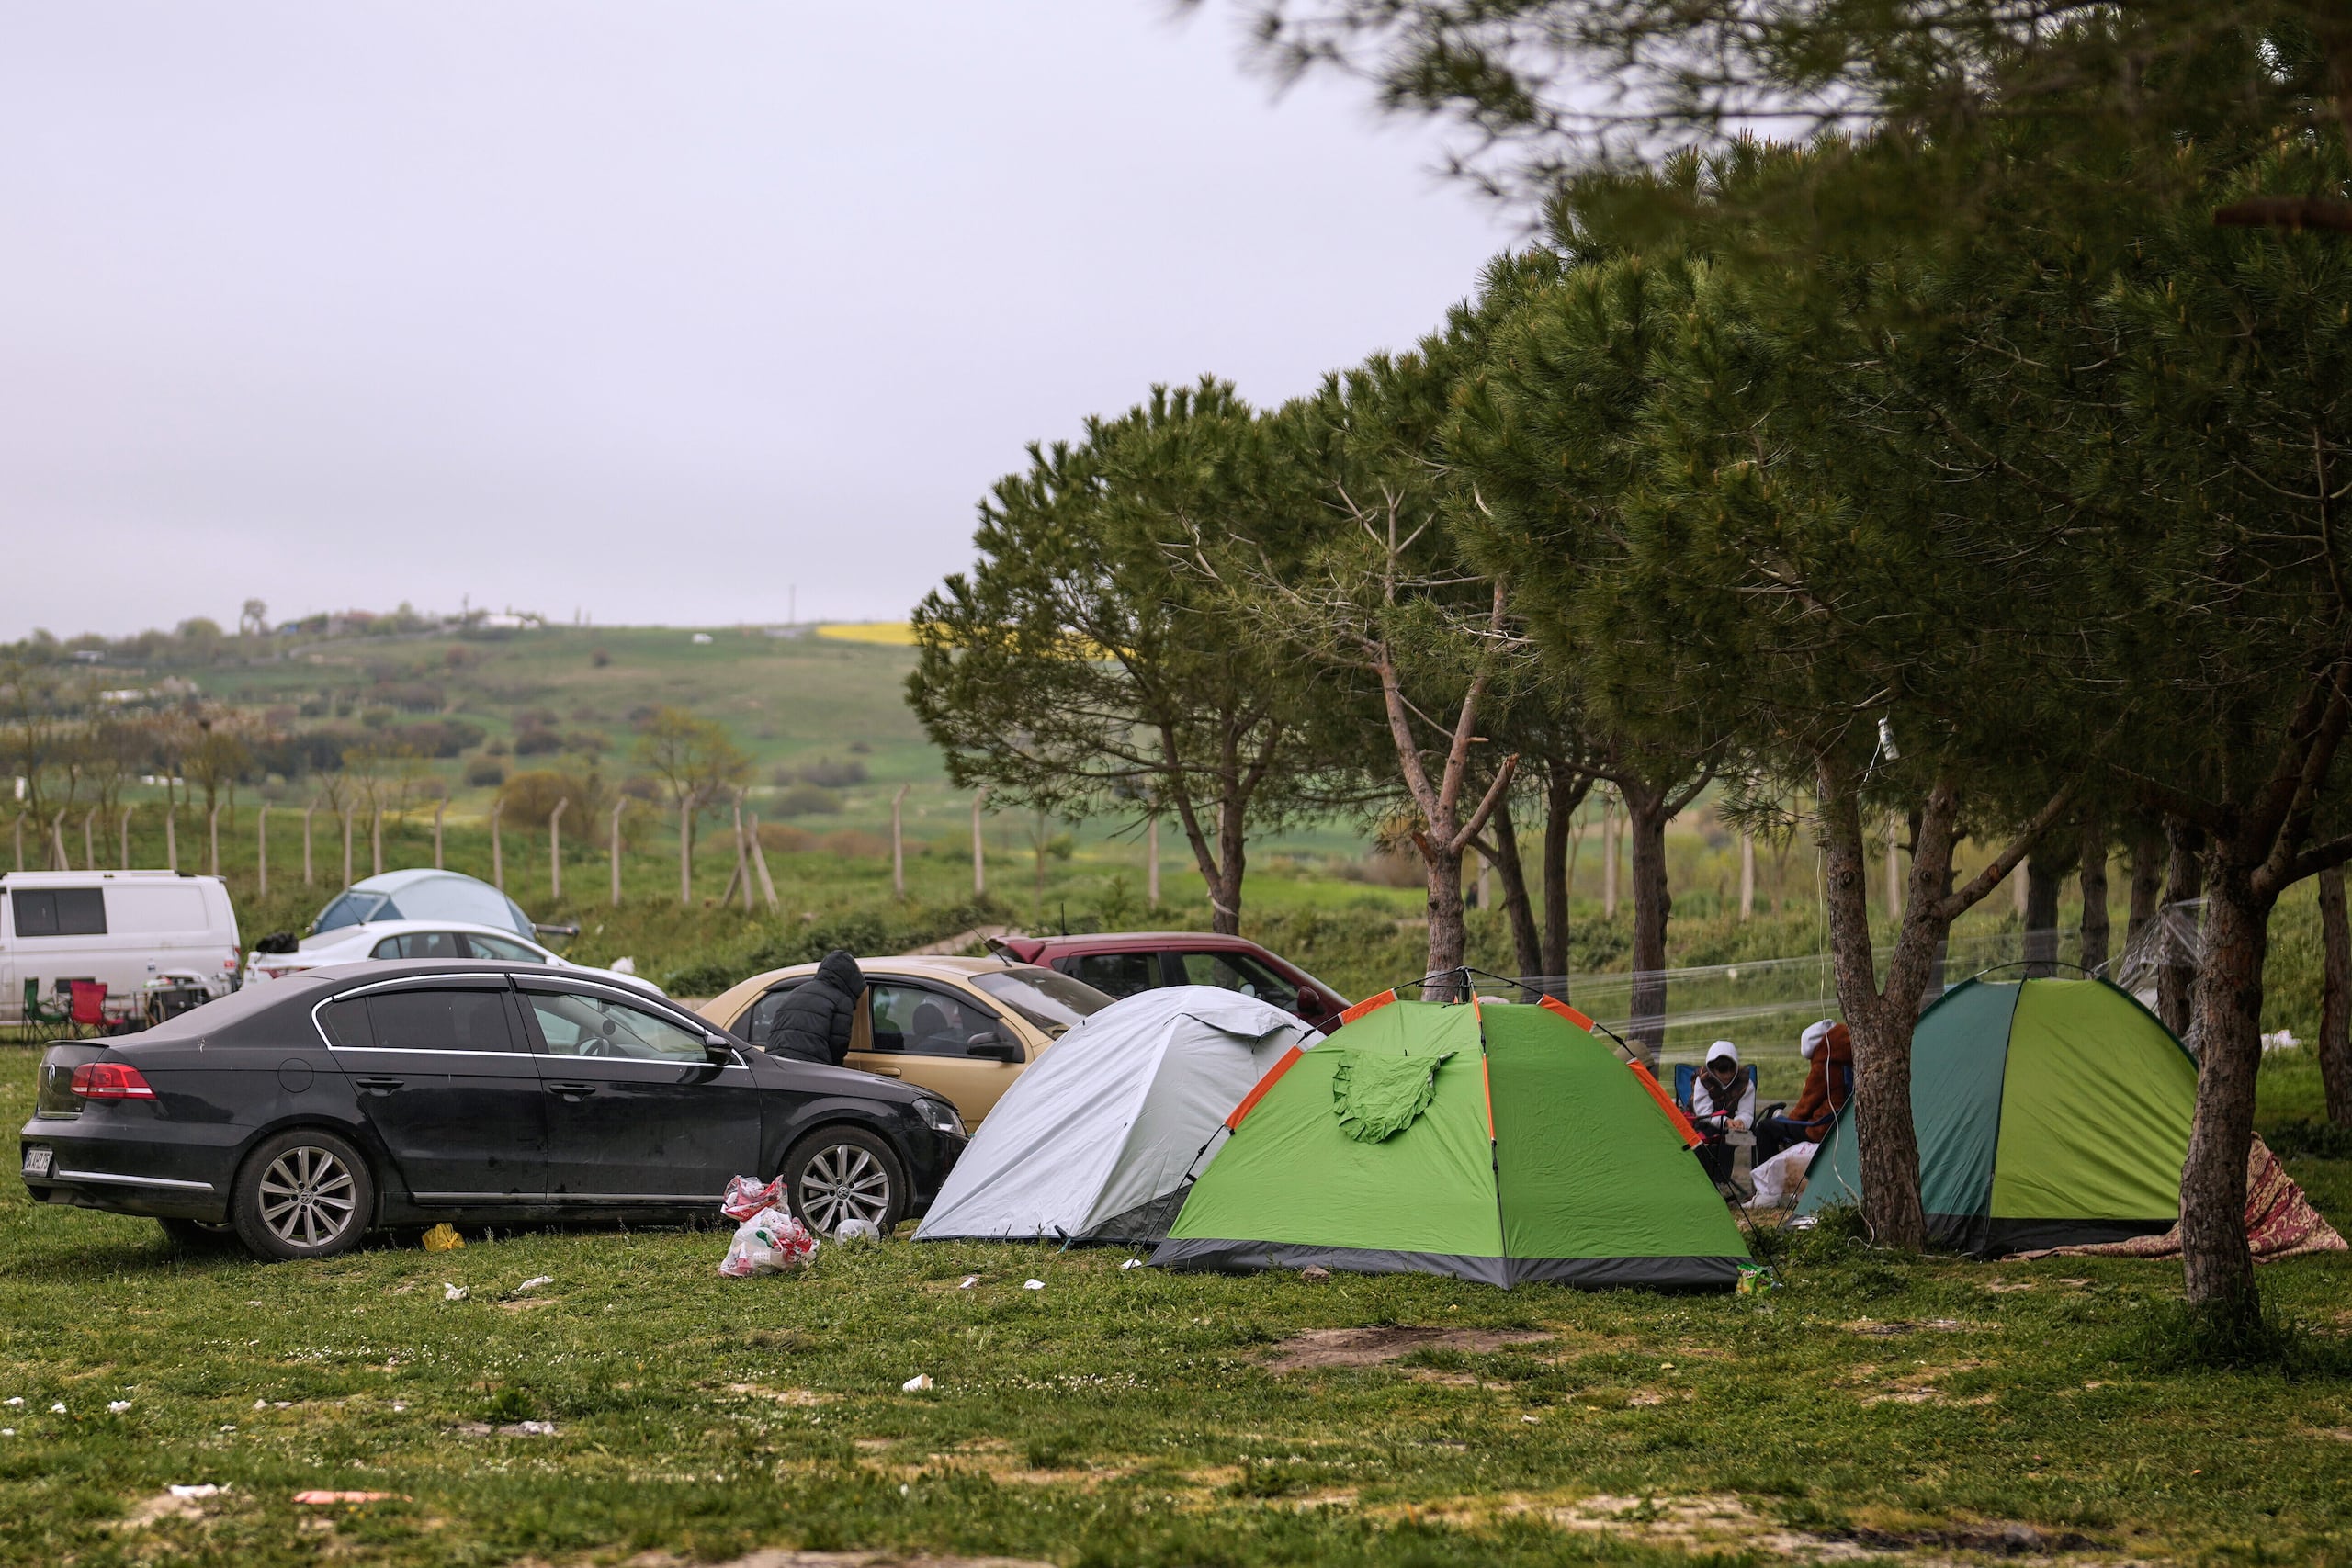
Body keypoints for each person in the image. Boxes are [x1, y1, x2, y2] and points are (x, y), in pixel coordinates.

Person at [1754, 1018, 1853, 1162]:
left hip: (1821, 1129)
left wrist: (1788, 1121)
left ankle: (1767, 1178)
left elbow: (1806, 1105)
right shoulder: (1848, 1050)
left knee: (1765, 1127)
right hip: (1843, 1125)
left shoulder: (1824, 1065)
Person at [765, 949, 865, 1066]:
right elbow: (838, 1045)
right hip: (810, 1067)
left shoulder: (797, 992)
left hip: (777, 1063)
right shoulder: (842, 1000)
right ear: (851, 979)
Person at [1685, 1040, 1755, 1186]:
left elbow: (1747, 1112)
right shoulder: (1703, 1080)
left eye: (1731, 1069)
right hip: (1705, 1122)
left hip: (1733, 1128)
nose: (1727, 1075)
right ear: (1712, 1068)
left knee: (1728, 1141)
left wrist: (1741, 1121)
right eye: (1722, 1070)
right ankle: (1704, 1183)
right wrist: (1725, 1122)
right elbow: (1704, 1112)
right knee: (1702, 1144)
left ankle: (1721, 1183)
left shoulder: (1745, 1083)